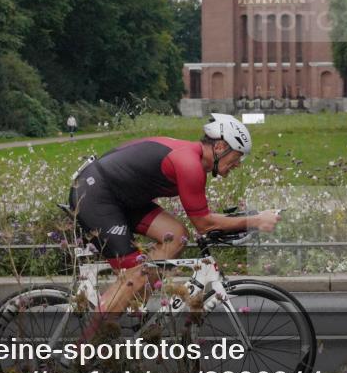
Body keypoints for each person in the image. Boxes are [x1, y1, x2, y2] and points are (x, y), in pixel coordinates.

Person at [68, 113, 280, 324]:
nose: (238, 164)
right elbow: (204, 224)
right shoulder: (189, 164)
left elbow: (205, 219)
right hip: (96, 197)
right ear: (220, 147)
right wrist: (255, 221)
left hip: (123, 199)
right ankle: (83, 351)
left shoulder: (194, 160)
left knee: (177, 236)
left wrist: (244, 219)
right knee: (135, 277)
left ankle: (136, 310)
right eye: (238, 156)